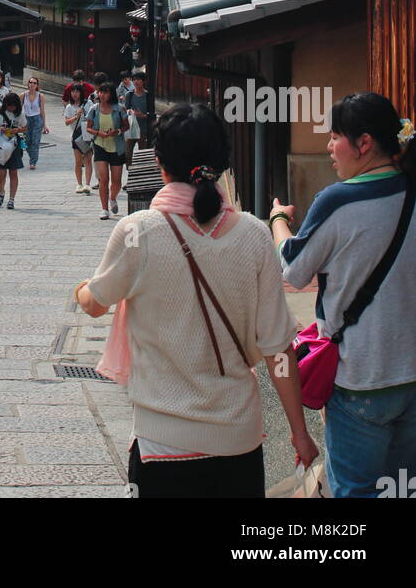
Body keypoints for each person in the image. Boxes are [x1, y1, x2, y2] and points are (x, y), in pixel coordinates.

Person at [74, 103, 318, 498]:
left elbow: (95, 302)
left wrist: (82, 288)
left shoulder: (138, 232)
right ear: (221, 163)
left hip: (162, 441)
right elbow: (278, 350)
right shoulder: (255, 236)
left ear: (158, 162)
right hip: (238, 439)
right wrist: (299, 433)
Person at [272, 92, 416, 499]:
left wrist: (279, 221)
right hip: (411, 376)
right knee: (402, 490)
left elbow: (295, 270)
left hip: (361, 380)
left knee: (354, 491)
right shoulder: (410, 190)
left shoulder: (338, 200)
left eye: (336, 136)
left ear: (364, 143)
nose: (329, 147)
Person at [86, 82, 129, 219]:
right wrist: (98, 133)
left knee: (116, 181)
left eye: (105, 92)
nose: (102, 95)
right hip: (100, 145)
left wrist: (117, 131)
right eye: (100, 92)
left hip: (117, 146)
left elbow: (126, 126)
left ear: (111, 94)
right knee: (104, 178)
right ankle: (104, 209)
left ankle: (113, 197)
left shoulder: (120, 109)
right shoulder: (94, 109)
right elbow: (88, 128)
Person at [0, 91, 26, 209]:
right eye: (10, 105)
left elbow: (25, 128)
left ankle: (11, 199)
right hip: (1, 145)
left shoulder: (20, 114)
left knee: (13, 172)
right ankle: (1, 192)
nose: (12, 108)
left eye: (14, 105)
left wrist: (17, 130)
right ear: (6, 104)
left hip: (14, 146)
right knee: (1, 173)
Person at [65, 83, 93, 194]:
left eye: (77, 91)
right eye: (73, 92)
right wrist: (76, 116)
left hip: (87, 135)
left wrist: (84, 115)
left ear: (81, 93)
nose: (75, 94)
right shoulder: (69, 106)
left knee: (88, 160)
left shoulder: (88, 103)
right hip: (75, 136)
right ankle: (79, 184)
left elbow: (93, 117)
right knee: (78, 161)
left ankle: (87, 184)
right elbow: (66, 122)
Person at [21, 76, 48, 169]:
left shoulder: (40, 96)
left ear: (37, 85)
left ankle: (33, 162)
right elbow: (19, 110)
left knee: (35, 142)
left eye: (34, 83)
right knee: (27, 141)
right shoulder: (23, 95)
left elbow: (42, 111)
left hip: (37, 119)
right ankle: (32, 157)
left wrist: (44, 125)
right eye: (31, 82)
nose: (32, 84)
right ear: (28, 84)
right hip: (26, 119)